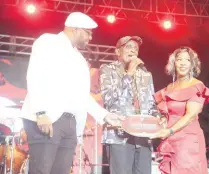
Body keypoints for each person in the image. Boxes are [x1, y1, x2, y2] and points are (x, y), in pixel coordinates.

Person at [20, 12, 124, 174]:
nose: (90, 38)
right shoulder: (49, 41)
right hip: (48, 118)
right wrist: (40, 112)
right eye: (88, 32)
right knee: (41, 170)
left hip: (70, 123)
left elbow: (81, 95)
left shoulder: (80, 59)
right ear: (75, 29)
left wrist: (104, 115)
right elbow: (35, 75)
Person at [99, 36, 161, 174]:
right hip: (119, 134)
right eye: (128, 47)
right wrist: (129, 73)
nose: (132, 50)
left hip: (143, 136)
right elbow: (109, 99)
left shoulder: (146, 74)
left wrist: (158, 117)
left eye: (135, 48)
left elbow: (152, 104)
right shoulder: (108, 70)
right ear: (118, 52)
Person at [150, 46, 209, 174]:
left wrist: (169, 131)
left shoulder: (196, 85)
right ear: (174, 63)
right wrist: (163, 120)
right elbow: (165, 111)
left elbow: (190, 115)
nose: (183, 63)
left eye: (187, 60)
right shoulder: (170, 87)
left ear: (192, 64)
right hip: (170, 139)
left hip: (188, 140)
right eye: (179, 59)